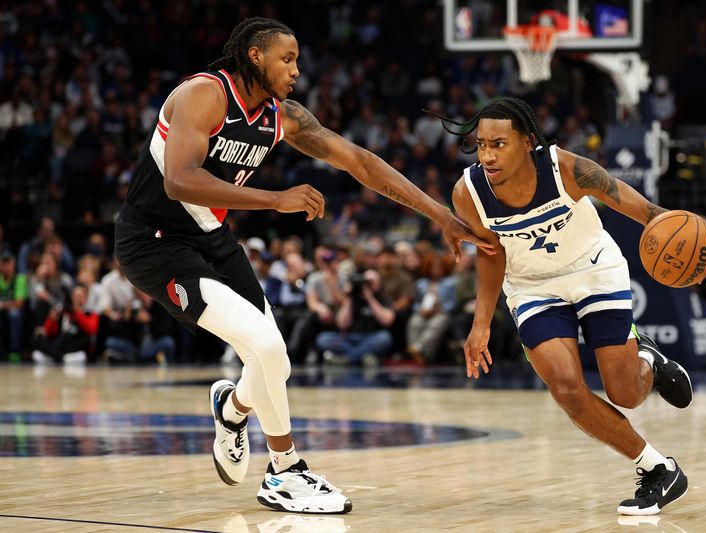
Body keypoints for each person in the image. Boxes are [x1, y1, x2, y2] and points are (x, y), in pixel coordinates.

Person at [114, 17, 490, 515]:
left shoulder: (282, 117)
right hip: (153, 241)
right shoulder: (203, 96)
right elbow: (180, 181)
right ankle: (285, 470)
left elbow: (361, 163)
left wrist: (440, 213)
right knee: (265, 346)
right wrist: (276, 199)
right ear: (254, 55)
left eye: (298, 61)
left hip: (211, 238)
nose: (295, 70)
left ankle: (232, 410)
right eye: (286, 59)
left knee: (277, 362)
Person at [438, 96, 706, 516]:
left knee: (625, 392)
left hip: (593, 270)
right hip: (533, 288)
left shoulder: (566, 169)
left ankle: (648, 359)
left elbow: (645, 211)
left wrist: (699, 240)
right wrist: (480, 325)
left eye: (499, 144)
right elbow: (491, 253)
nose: (487, 154)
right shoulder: (469, 193)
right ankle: (658, 469)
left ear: (527, 141)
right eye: (481, 144)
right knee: (567, 389)